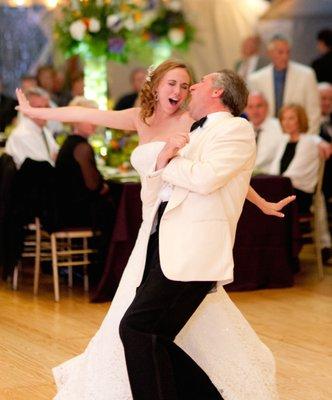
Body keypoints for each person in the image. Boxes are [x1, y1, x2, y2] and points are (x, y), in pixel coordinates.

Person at [16, 60, 294, 399]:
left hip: (183, 229)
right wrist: (39, 113)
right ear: (156, 86)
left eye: (187, 84)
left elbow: (220, 171)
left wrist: (258, 201)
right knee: (140, 325)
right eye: (173, 84)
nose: (181, 91)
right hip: (157, 225)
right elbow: (86, 114)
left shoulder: (197, 123)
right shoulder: (140, 117)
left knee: (140, 326)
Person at [248, 34, 321, 135]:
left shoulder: (306, 75)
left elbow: (314, 112)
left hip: (299, 136)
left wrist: (308, 140)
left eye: (288, 52)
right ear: (270, 53)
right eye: (280, 52)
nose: (285, 56)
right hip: (268, 137)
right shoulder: (256, 79)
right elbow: (253, 112)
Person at [6, 87, 58, 169]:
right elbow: (42, 167)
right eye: (39, 107)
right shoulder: (22, 135)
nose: (44, 111)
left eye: (47, 107)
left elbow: (56, 155)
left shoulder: (44, 130)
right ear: (27, 110)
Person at [245, 91, 283, 173]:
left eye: (259, 106)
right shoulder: (242, 129)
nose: (255, 111)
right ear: (245, 110)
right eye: (250, 107)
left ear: (267, 107)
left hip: (269, 177)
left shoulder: (280, 128)